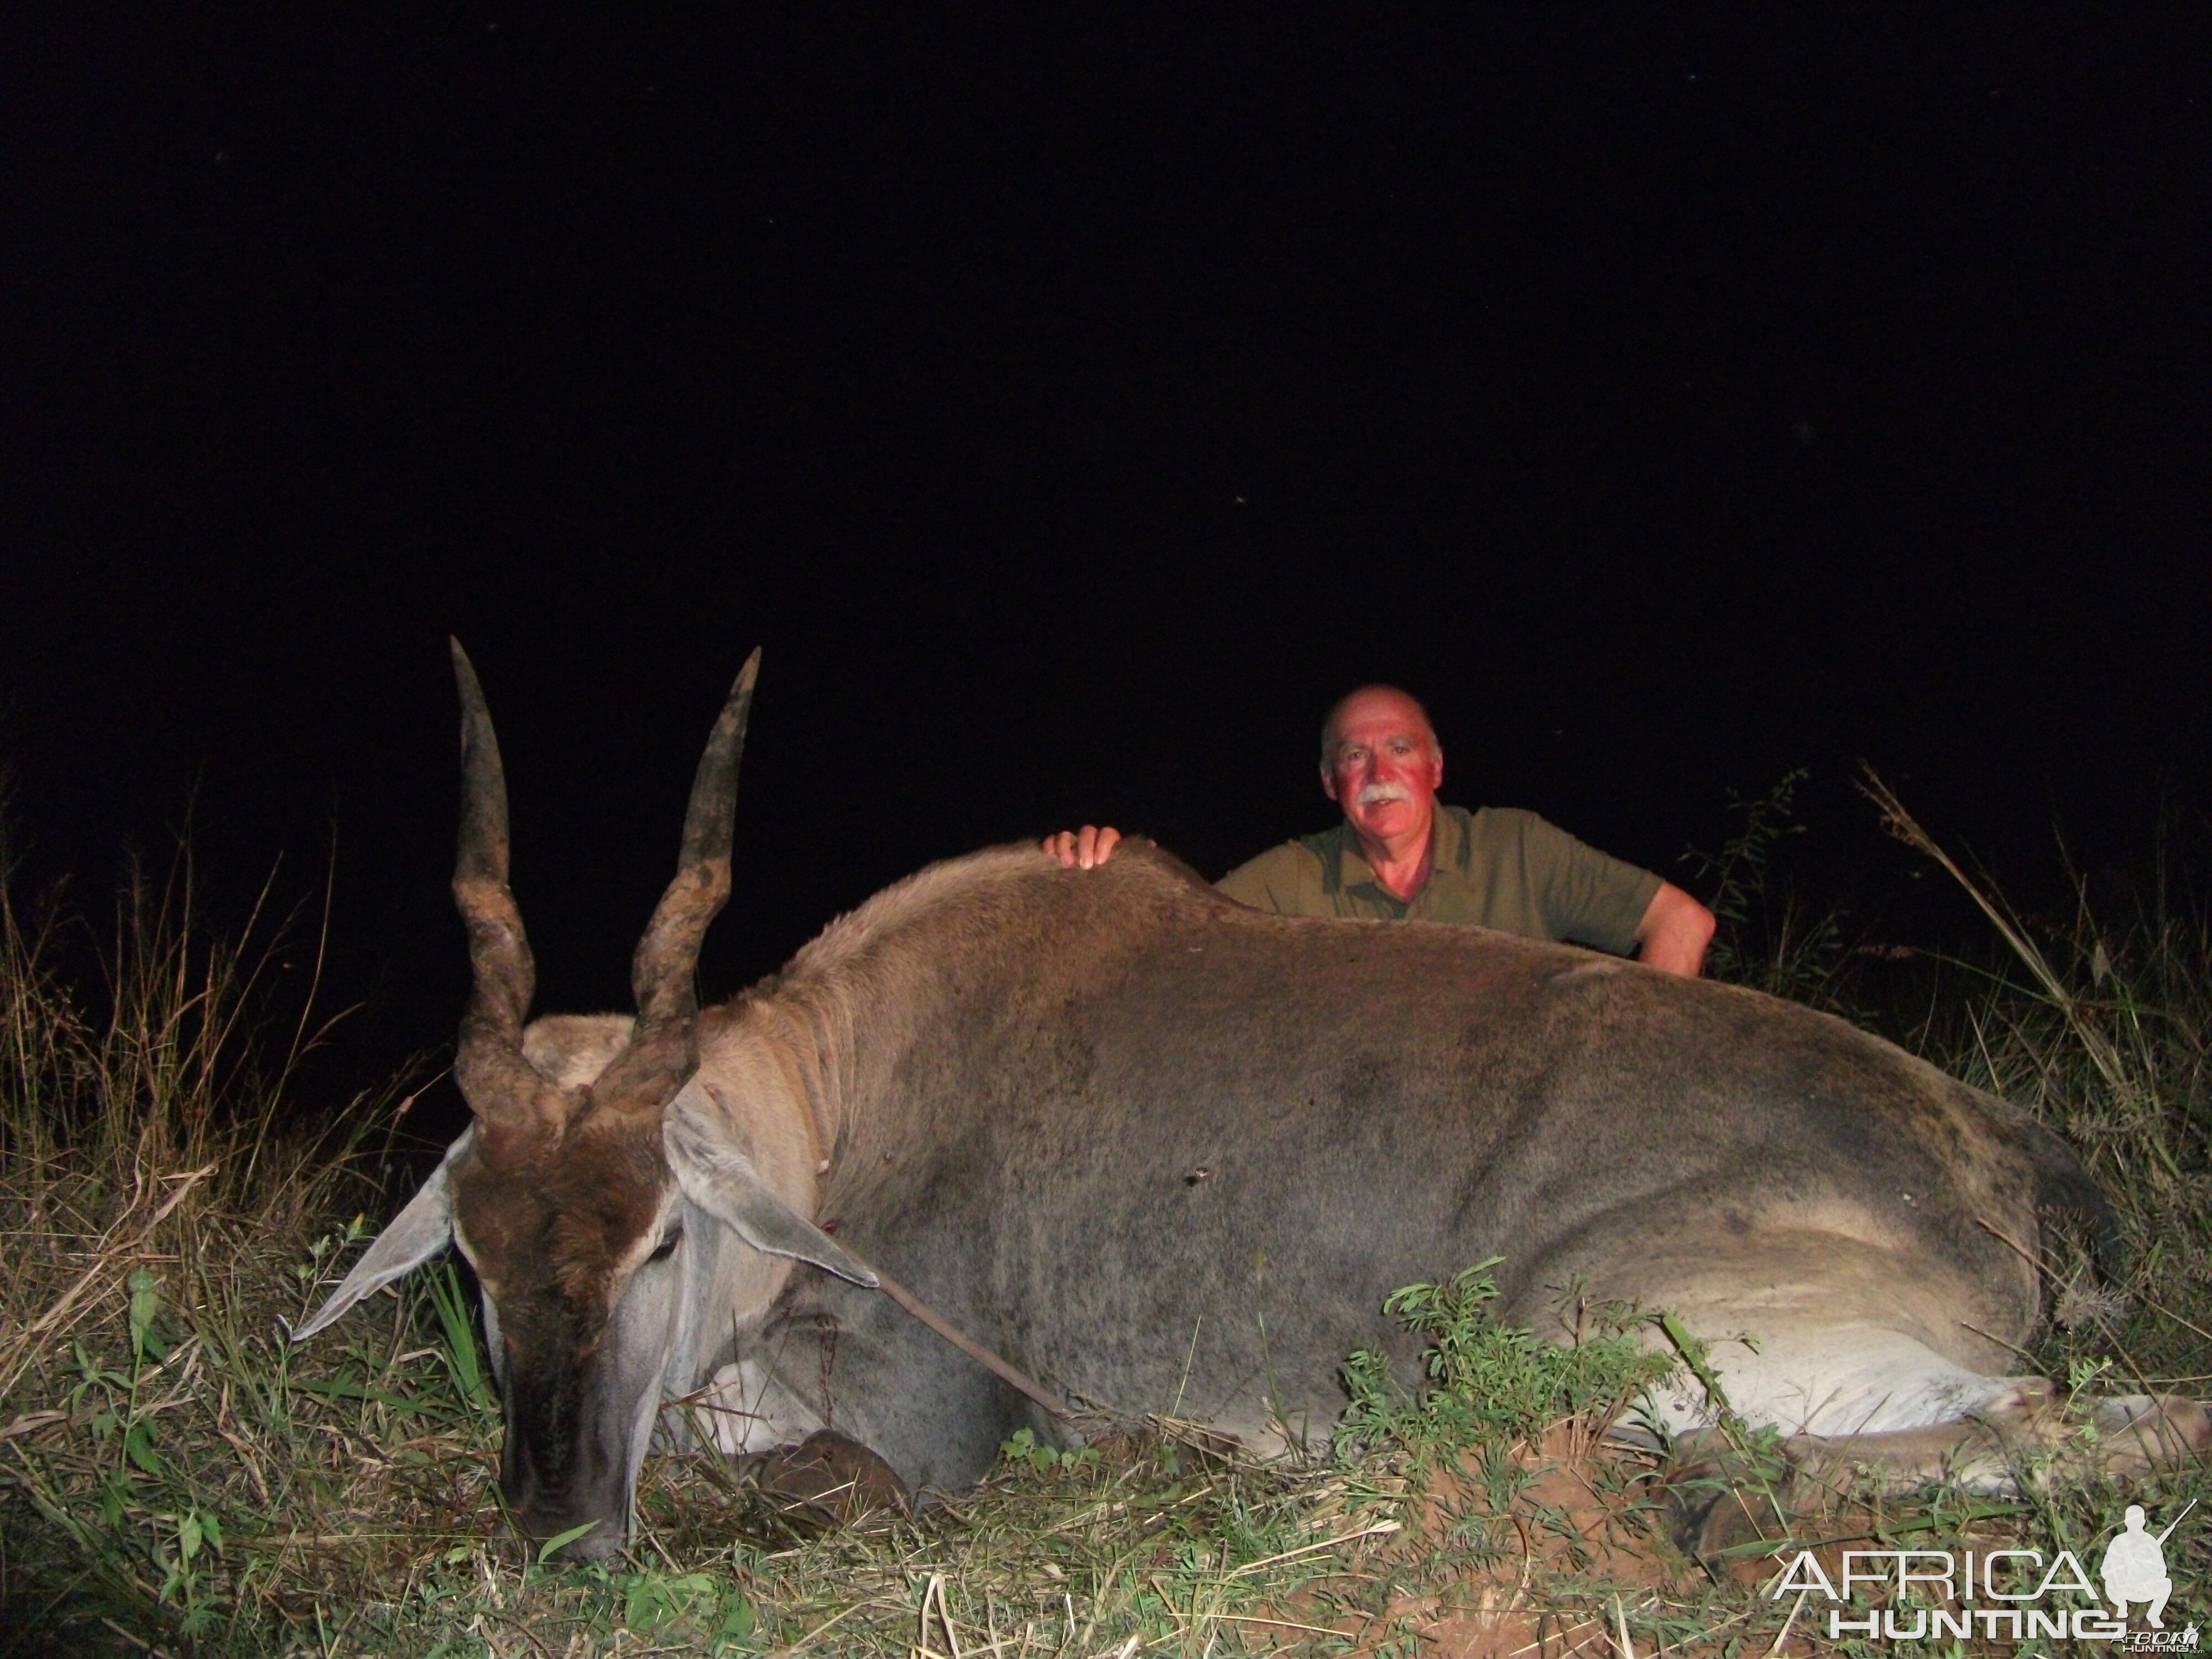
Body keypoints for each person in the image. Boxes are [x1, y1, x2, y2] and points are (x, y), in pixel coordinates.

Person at [1044, 684, 1716, 977]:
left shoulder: (1518, 849)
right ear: (1330, 783)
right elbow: (1181, 937)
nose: (1378, 771)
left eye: (1399, 748)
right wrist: (1119, 873)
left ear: (1436, 766)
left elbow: (1682, 923)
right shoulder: (1291, 878)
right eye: (1353, 756)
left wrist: (1622, 1071)